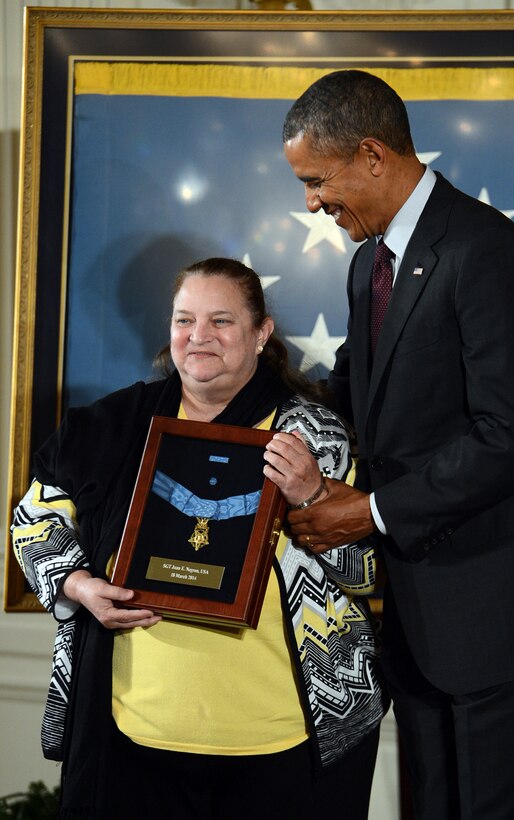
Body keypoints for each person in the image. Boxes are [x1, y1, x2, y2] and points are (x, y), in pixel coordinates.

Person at [11, 257, 386, 820]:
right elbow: (32, 520)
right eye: (184, 320)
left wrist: (312, 496)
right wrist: (78, 584)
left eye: (221, 321)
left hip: (283, 742)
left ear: (261, 334)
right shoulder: (112, 425)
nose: (199, 337)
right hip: (132, 736)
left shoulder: (316, 437)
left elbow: (370, 573)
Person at [281, 69, 514, 820]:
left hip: (493, 621)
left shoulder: (485, 251)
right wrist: (242, 406)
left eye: (315, 180)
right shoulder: (368, 261)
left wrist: (370, 512)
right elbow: (349, 393)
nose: (311, 203)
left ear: (371, 155)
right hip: (417, 624)